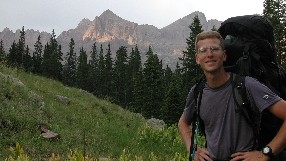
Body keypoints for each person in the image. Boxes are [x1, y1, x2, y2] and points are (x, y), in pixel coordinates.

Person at [178, 30, 286, 161]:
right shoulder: (197, 91)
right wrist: (192, 148)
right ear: (197, 58)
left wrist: (265, 153)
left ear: (224, 55)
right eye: (203, 50)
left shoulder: (247, 85)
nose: (209, 54)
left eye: (215, 49)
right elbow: (183, 123)